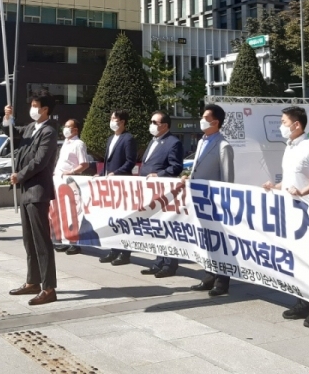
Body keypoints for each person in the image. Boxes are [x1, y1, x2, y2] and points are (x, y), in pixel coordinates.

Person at [262, 106, 309, 326]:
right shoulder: (290, 147)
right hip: (290, 215)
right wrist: (276, 187)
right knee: (298, 261)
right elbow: (293, 181)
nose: (282, 126)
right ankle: (304, 301)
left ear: (296, 124)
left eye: (284, 122)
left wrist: (302, 192)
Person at [3, 96, 59, 306]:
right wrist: (7, 119)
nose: (32, 109)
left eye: (36, 106)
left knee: (41, 241)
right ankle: (32, 281)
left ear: (45, 109)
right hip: (26, 191)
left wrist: (20, 175)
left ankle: (49, 287)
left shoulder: (49, 132)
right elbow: (12, 134)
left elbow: (40, 161)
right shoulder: (30, 128)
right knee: (29, 239)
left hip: (37, 191)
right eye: (32, 106)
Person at [189, 104, 235, 296]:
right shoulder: (202, 142)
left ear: (215, 122)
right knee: (206, 240)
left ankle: (222, 281)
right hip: (201, 201)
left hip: (216, 202)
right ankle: (208, 275)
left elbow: (227, 178)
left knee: (220, 242)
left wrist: (224, 203)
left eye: (205, 117)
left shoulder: (223, 145)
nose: (202, 119)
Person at [139, 111, 184, 278]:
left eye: (154, 122)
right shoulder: (153, 141)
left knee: (167, 228)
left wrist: (159, 175)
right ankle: (158, 262)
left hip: (164, 193)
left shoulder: (173, 143)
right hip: (149, 192)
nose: (151, 125)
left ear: (164, 125)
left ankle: (169, 264)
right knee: (156, 228)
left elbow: (176, 167)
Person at [97, 110, 137, 266]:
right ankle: (114, 250)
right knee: (111, 219)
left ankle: (125, 253)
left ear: (123, 122)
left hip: (121, 184)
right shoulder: (110, 139)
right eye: (111, 118)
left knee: (122, 220)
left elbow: (130, 161)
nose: (112, 121)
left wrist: (116, 173)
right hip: (109, 185)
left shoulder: (128, 139)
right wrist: (101, 174)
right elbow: (107, 163)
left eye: (115, 119)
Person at [53, 119, 90, 255]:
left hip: (71, 183)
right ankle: (66, 240)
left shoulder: (78, 144)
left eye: (69, 127)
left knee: (73, 213)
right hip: (60, 182)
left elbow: (84, 164)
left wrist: (72, 171)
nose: (65, 129)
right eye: (65, 126)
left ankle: (76, 243)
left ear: (76, 130)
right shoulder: (66, 144)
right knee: (63, 212)